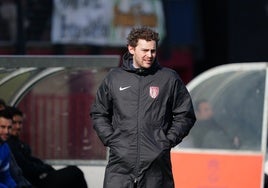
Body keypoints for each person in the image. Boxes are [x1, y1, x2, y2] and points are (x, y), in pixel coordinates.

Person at [90, 26, 196, 188]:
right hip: (120, 165)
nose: (149, 55)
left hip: (156, 166)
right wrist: (112, 140)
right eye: (145, 50)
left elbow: (185, 114)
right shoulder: (114, 78)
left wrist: (165, 142)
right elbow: (99, 113)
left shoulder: (168, 78)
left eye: (153, 51)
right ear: (131, 49)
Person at [7, 107, 88, 188]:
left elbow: (32, 160)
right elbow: (25, 167)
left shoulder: (18, 143)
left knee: (72, 173)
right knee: (75, 172)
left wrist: (45, 168)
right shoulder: (9, 145)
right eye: (14, 123)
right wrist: (45, 169)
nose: (18, 126)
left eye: (20, 123)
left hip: (40, 177)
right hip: (35, 182)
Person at [0, 109, 17, 188]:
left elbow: (5, 176)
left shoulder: (5, 148)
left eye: (9, 127)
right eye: (2, 127)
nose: (6, 131)